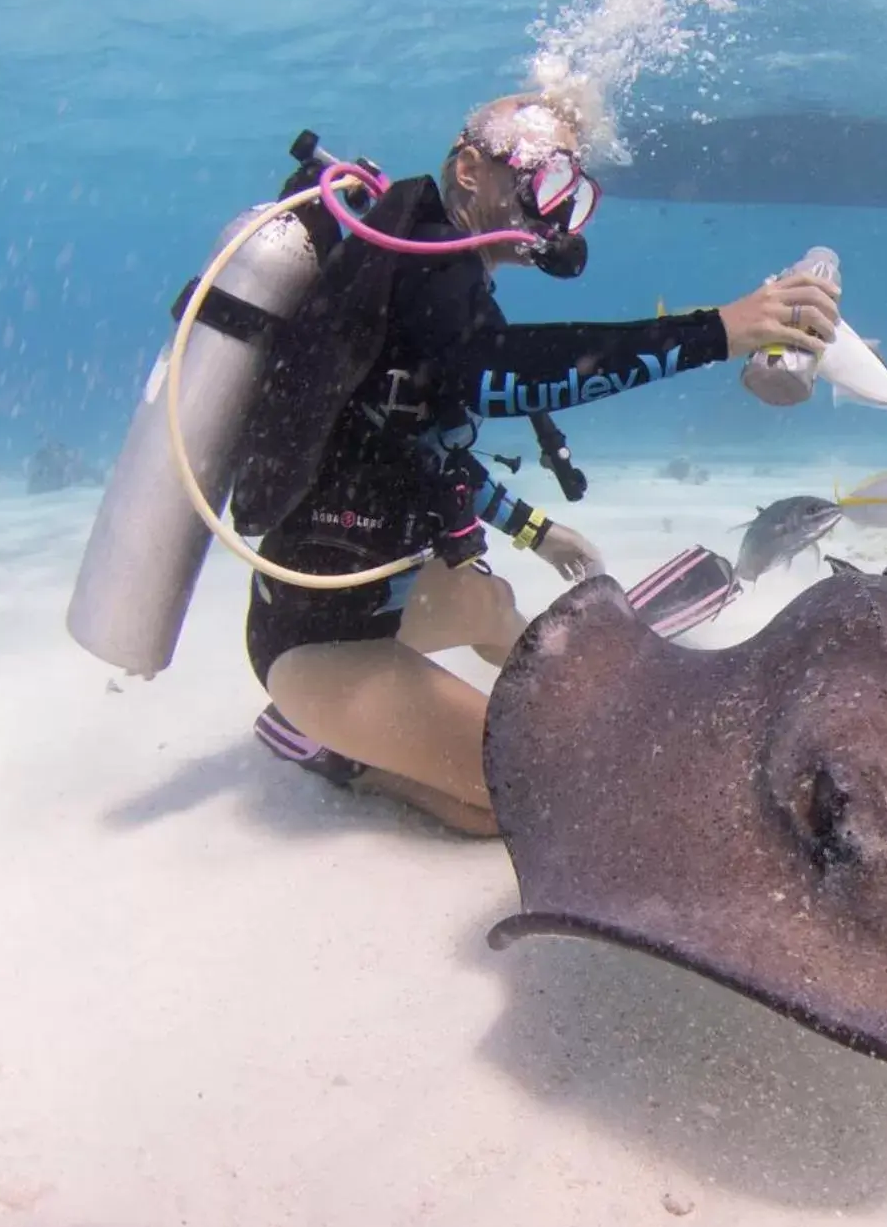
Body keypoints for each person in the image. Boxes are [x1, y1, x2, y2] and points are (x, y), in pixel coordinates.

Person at [240, 91, 841, 836]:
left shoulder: (440, 283)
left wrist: (537, 531)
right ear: (469, 170)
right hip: (320, 640)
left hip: (377, 594)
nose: (555, 210)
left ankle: (427, 712)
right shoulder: (424, 272)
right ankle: (336, 750)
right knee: (522, 799)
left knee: (495, 611)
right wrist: (715, 331)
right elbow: (504, 373)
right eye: (544, 177)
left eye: (574, 192)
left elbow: (432, 452)